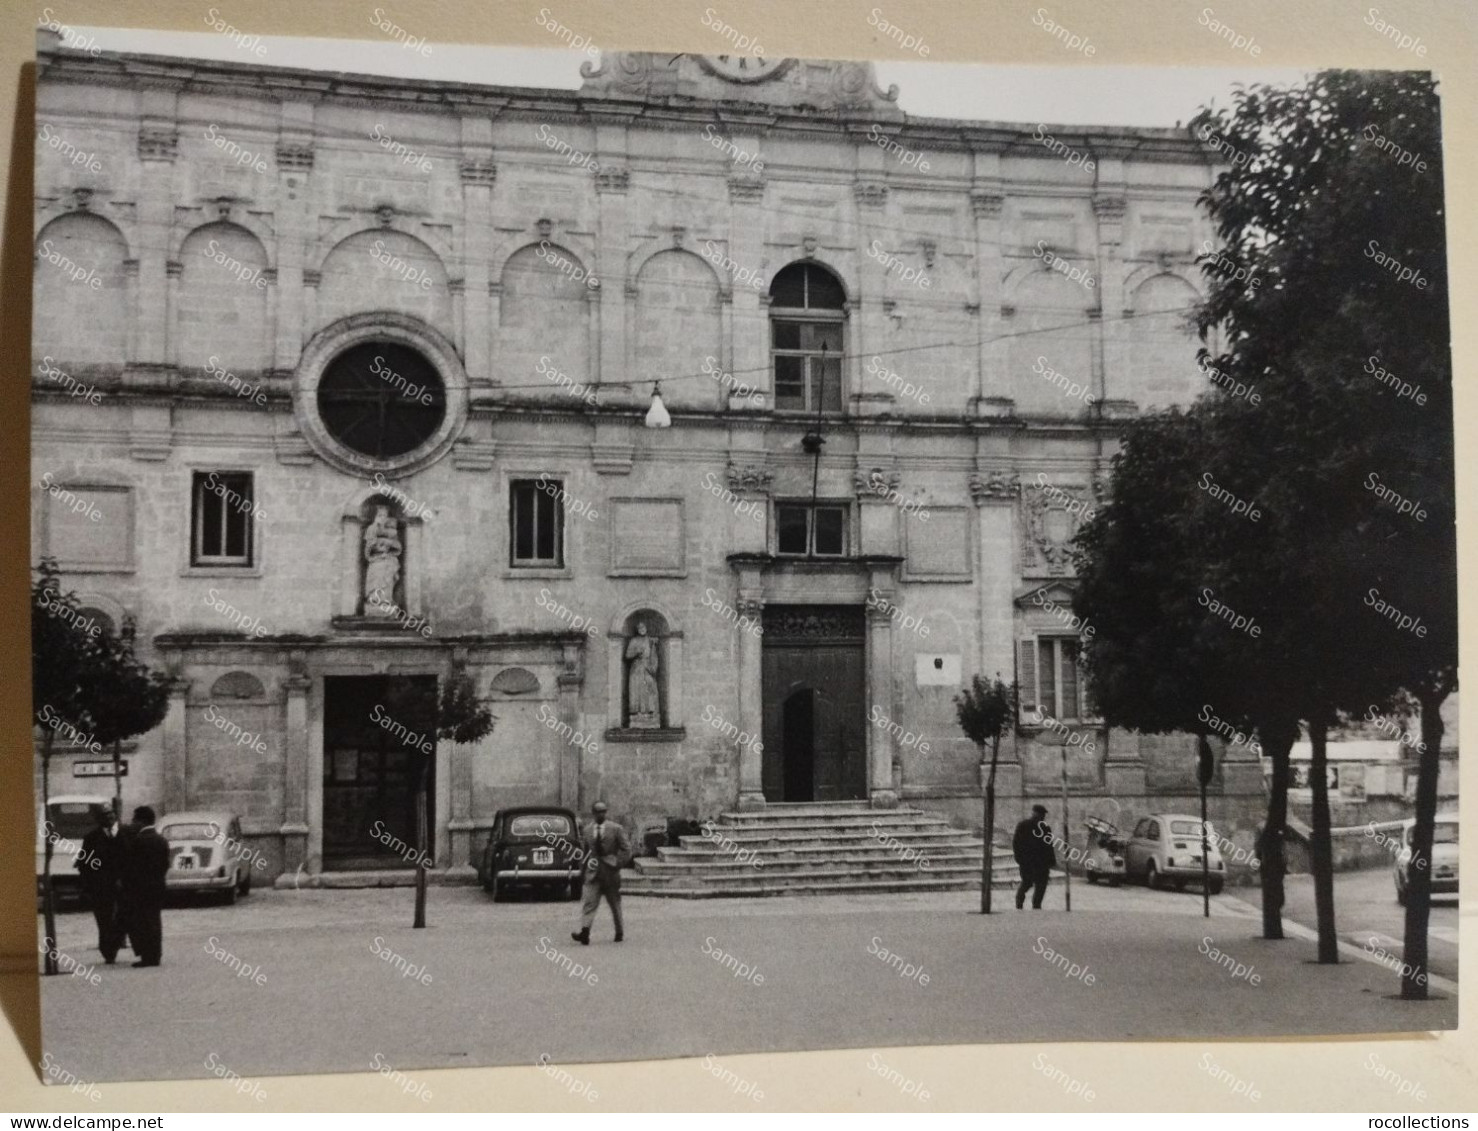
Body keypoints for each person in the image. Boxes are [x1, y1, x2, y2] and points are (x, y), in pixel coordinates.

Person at [571, 801, 630, 945]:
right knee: (589, 903)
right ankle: (585, 932)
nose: (601, 814)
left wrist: (618, 863)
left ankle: (619, 931)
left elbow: (626, 849)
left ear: (606, 812)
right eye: (598, 812)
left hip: (610, 871)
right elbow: (584, 853)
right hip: (593, 872)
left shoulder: (616, 829)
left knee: (614, 903)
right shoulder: (587, 830)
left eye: (603, 811)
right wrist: (583, 871)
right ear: (593, 813)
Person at [120, 806, 170, 967]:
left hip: (140, 889)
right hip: (157, 886)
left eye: (135, 820)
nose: (133, 823)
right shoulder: (161, 840)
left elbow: (132, 867)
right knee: (154, 920)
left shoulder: (138, 841)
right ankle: (155, 954)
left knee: (143, 922)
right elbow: (165, 864)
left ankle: (148, 956)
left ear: (141, 821)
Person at [77, 805, 126, 964]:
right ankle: (107, 951)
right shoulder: (91, 838)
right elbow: (83, 865)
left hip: (122, 886)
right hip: (100, 888)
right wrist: (88, 886)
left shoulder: (124, 834)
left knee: (122, 917)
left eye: (111, 813)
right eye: (105, 815)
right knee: (103, 920)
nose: (110, 817)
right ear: (99, 819)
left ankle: (116, 943)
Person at [1012, 804, 1057, 910]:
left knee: (1037, 885)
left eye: (1043, 815)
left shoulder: (1044, 828)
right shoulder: (1024, 825)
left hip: (1038, 863)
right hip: (1030, 862)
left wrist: (1051, 860)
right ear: (1034, 813)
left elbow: (1049, 845)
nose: (1043, 816)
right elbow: (1016, 843)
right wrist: (1019, 858)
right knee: (1029, 883)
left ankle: (1033, 905)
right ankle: (1023, 904)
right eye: (1041, 814)